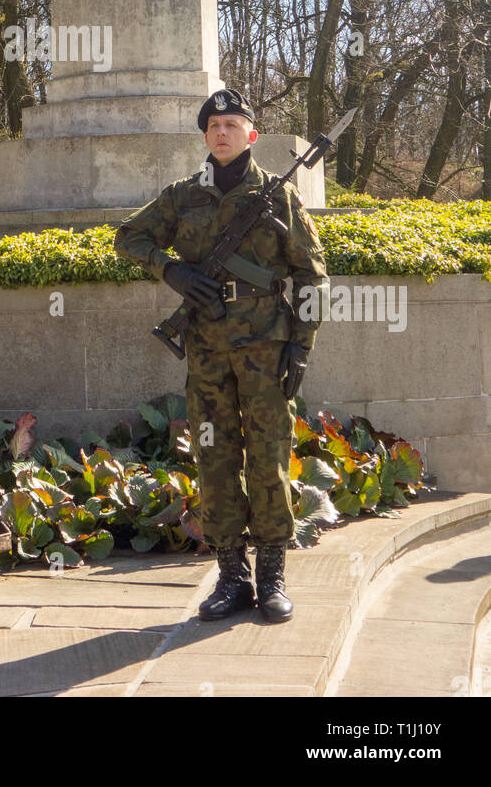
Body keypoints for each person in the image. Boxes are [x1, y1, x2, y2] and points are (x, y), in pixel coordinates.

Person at [113, 87, 329, 622]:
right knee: (214, 458)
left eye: (232, 124)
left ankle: (272, 574)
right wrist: (174, 270)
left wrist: (300, 347)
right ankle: (231, 575)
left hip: (265, 348)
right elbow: (128, 237)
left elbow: (311, 275)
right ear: (205, 135)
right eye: (214, 126)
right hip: (207, 349)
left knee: (270, 457)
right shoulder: (184, 195)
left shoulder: (279, 197)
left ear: (251, 134)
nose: (222, 132)